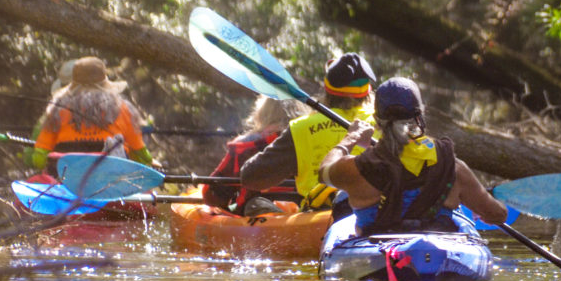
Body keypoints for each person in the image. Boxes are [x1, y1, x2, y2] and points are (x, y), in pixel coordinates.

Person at [318, 76, 507, 235]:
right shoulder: (454, 170)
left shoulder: (357, 169)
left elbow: (323, 171)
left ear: (377, 121)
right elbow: (497, 215)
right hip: (439, 261)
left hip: (379, 264)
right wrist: (489, 205)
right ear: (421, 116)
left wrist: (351, 138)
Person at [239, 52, 377, 219]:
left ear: (327, 91)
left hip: (317, 218)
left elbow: (251, 177)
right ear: (368, 93)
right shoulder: (384, 123)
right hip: (373, 212)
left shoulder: (301, 128)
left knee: (255, 205)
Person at [30, 56, 159, 171]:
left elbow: (38, 159)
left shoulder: (57, 110)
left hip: (67, 183)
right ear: (104, 82)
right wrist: (148, 162)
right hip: (110, 184)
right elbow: (141, 156)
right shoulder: (124, 109)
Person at [201, 95, 306, 215]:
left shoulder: (245, 145)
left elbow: (212, 195)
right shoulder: (308, 139)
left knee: (250, 205)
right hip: (305, 208)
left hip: (256, 213)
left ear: (262, 112)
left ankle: (268, 209)